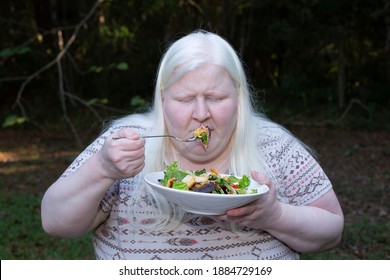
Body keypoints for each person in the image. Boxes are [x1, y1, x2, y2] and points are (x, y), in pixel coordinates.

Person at [41, 30, 344, 260]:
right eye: (185, 99)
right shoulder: (127, 141)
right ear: (163, 99)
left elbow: (332, 231)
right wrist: (102, 168)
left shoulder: (275, 146)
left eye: (215, 98)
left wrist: (274, 216)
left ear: (238, 98)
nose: (201, 114)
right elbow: (55, 222)